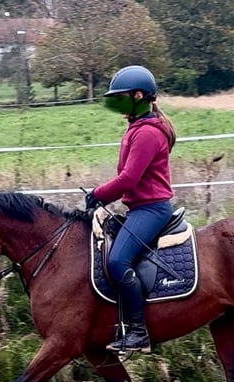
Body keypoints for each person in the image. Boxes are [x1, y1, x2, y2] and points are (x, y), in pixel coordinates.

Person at [85, 65, 177, 353]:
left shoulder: (148, 134)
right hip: (139, 207)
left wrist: (98, 194)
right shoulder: (136, 129)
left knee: (117, 261)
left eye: (121, 98)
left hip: (151, 209)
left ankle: (138, 333)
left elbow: (129, 179)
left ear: (139, 96)